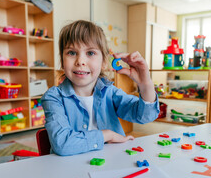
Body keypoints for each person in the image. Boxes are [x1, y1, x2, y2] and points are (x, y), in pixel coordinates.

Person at [41, 20, 159, 156]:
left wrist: (146, 84)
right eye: (72, 53)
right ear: (62, 60)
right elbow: (62, 144)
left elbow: (144, 116)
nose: (80, 61)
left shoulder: (110, 92)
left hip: (111, 163)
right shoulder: (53, 97)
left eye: (90, 53)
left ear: (104, 61)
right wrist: (107, 135)